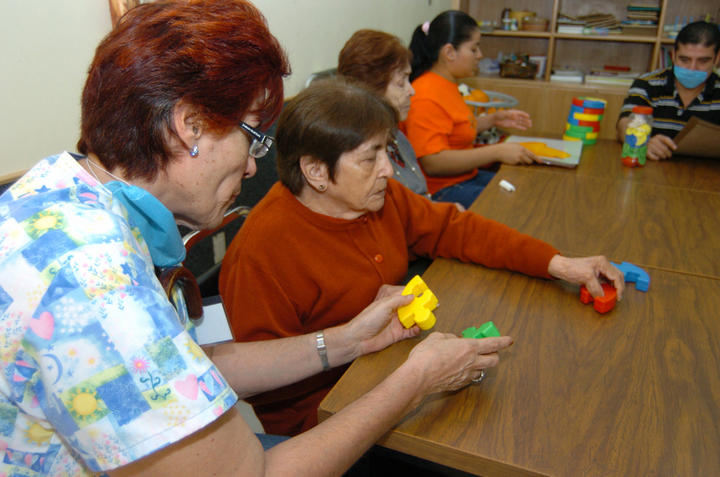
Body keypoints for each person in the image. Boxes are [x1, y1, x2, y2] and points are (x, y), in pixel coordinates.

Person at [0, 2, 516, 475]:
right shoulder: (93, 282)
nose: (251, 167)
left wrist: (349, 339)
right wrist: (415, 381)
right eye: (251, 136)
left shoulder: (59, 194)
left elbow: (184, 369)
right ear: (190, 126)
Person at [219, 77, 625, 438]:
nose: (388, 170)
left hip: (396, 372)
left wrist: (558, 263)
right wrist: (393, 377)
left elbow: (456, 230)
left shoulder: (378, 198)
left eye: (387, 151)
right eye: (370, 158)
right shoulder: (261, 254)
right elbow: (272, 392)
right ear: (316, 172)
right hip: (330, 422)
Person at [403, 10, 540, 209]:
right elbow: (433, 163)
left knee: (527, 187)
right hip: (441, 190)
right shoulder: (425, 95)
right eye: (474, 49)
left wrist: (493, 120)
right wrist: (497, 152)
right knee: (518, 205)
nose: (480, 55)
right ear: (449, 52)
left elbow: (455, 129)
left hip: (464, 178)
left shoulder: (446, 84)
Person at [338, 29, 465, 211]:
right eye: (400, 83)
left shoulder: (397, 135)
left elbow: (417, 203)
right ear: (371, 89)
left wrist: (438, 210)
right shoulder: (360, 155)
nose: (411, 91)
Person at [616, 21, 720, 160]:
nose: (692, 68)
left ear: (717, 58)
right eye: (684, 59)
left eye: (703, 61)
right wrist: (643, 142)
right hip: (652, 166)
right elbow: (624, 123)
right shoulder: (647, 83)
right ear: (673, 55)